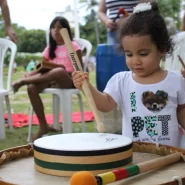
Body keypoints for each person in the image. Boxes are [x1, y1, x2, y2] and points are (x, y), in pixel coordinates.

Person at [72, 1, 185, 148]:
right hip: (134, 156)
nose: (135, 61)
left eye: (143, 54)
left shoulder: (177, 80)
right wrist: (87, 87)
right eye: (129, 54)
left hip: (171, 157)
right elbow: (105, 105)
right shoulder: (121, 81)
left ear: (162, 49)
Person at [12, 16, 83, 140]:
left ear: (66, 30)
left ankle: (23, 82)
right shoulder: (50, 48)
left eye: (59, 27)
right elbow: (41, 67)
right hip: (51, 80)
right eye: (53, 28)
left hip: (69, 80)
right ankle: (43, 125)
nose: (55, 30)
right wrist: (31, 74)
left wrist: (63, 70)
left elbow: (79, 69)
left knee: (60, 71)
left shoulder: (73, 46)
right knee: (32, 88)